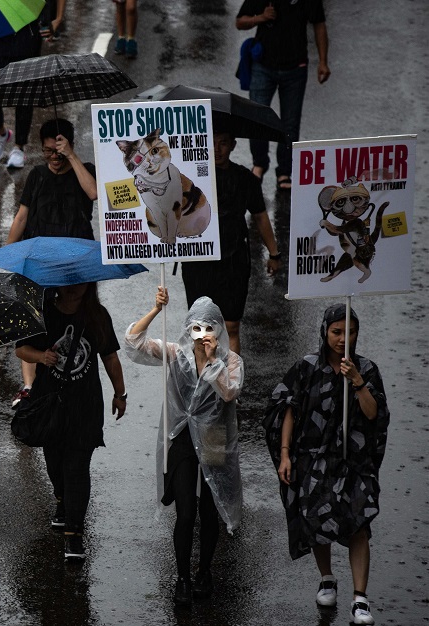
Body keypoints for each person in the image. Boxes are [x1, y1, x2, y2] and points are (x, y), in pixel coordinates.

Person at [264, 305, 388, 625]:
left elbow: (374, 414)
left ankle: (360, 598)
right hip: (314, 457)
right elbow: (288, 408)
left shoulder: (367, 369)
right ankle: (327, 578)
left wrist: (357, 381)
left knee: (358, 523)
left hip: (354, 461)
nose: (343, 339)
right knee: (319, 522)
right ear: (324, 332)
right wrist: (286, 453)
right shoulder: (306, 367)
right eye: (336, 332)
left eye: (350, 332)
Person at [123, 287, 243, 605]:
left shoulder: (231, 362)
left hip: (214, 438)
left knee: (208, 510)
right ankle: (182, 578)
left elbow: (229, 392)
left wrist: (212, 361)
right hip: (182, 437)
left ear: (218, 330)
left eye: (209, 327)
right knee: (186, 511)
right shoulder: (176, 353)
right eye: (196, 327)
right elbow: (134, 344)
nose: (202, 334)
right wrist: (155, 310)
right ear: (188, 329)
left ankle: (204, 571)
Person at [15, 282, 126, 560]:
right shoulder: (43, 314)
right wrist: (41, 356)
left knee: (77, 468)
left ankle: (74, 535)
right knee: (55, 465)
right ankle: (62, 500)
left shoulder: (97, 316)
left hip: (85, 407)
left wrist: (120, 393)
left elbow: (110, 357)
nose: (76, 289)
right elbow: (21, 350)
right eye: (70, 284)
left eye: (82, 283)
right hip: (50, 405)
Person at [7, 118, 97, 406]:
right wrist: (8, 257)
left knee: (75, 318)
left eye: (58, 152)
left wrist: (71, 156)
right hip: (40, 262)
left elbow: (94, 193)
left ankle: (72, 372)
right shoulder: (36, 176)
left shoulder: (85, 171)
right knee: (33, 322)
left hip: (76, 262)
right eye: (47, 151)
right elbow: (22, 217)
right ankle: (30, 386)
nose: (53, 158)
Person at [181, 127, 281, 354]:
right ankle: (203, 380)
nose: (217, 149)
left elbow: (260, 216)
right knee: (200, 326)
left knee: (232, 325)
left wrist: (274, 253)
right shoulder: (191, 177)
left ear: (233, 145)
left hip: (234, 258)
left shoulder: (246, 179)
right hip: (199, 259)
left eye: (223, 142)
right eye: (212, 142)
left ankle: (232, 382)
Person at [236, 0, 330, 191]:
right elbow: (240, 21)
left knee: (290, 124)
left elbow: (319, 24)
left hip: (296, 69)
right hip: (262, 66)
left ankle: (284, 171)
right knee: (256, 119)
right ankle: (259, 164)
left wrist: (323, 61)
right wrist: (261, 18)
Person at [0, 18, 42, 169]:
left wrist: (53, 19)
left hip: (26, 32)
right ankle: (2, 133)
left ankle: (19, 146)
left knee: (24, 93)